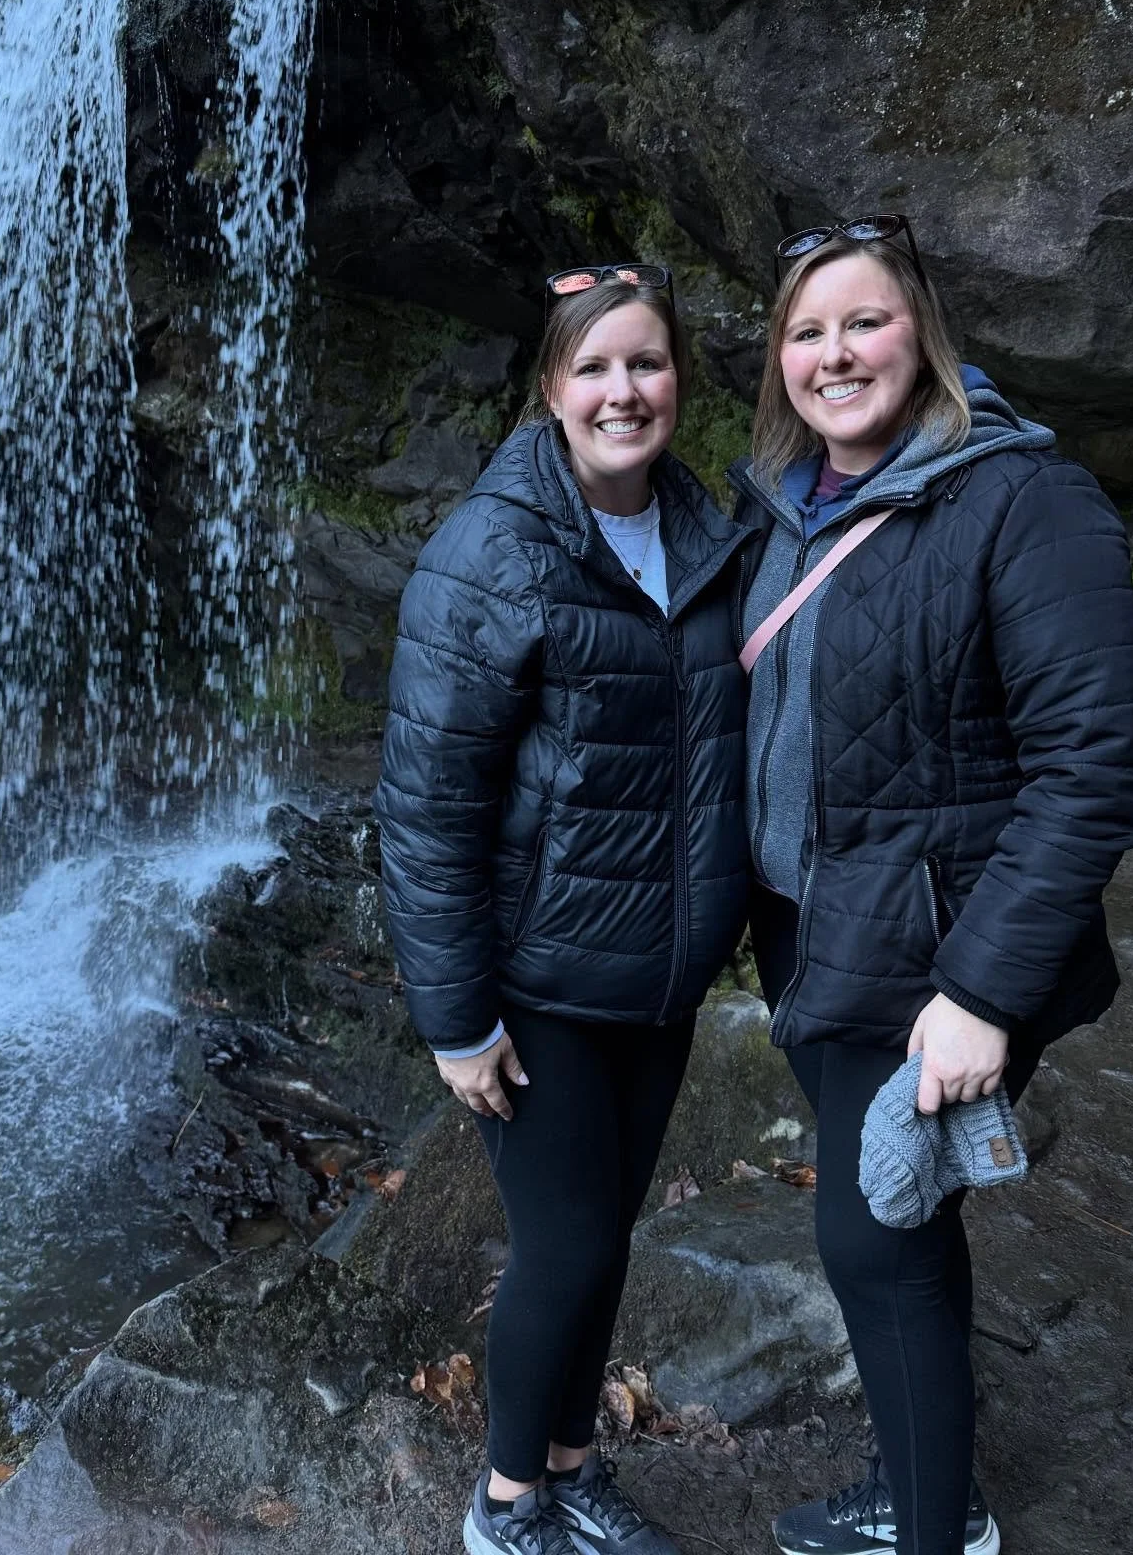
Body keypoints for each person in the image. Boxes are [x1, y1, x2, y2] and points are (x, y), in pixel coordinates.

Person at [728, 215, 1133, 1555]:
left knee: (873, 1241)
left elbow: (1095, 769)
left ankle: (932, 1532)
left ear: (923, 333)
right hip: (815, 936)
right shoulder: (787, 508)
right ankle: (933, 1485)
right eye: (807, 332)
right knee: (900, 1230)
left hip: (934, 960)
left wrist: (981, 991)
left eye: (864, 322)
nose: (835, 352)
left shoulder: (1021, 497)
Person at [375, 265, 752, 1555]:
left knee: (604, 1241)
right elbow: (429, 804)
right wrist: (457, 1015)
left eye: (645, 365)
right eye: (593, 368)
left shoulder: (715, 535)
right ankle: (503, 1507)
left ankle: (573, 1465)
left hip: (658, 968)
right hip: (539, 976)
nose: (621, 391)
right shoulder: (491, 550)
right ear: (550, 390)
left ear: (680, 385)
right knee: (567, 1243)